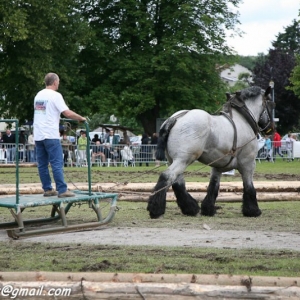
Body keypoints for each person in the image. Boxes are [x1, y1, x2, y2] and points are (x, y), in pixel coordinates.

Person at [33, 72, 86, 198]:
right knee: (57, 163)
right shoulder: (56, 95)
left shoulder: (38, 95)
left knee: (42, 164)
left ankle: (47, 189)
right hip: (50, 134)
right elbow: (67, 113)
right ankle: (62, 190)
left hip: (38, 134)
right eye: (59, 82)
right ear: (55, 82)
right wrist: (80, 118)